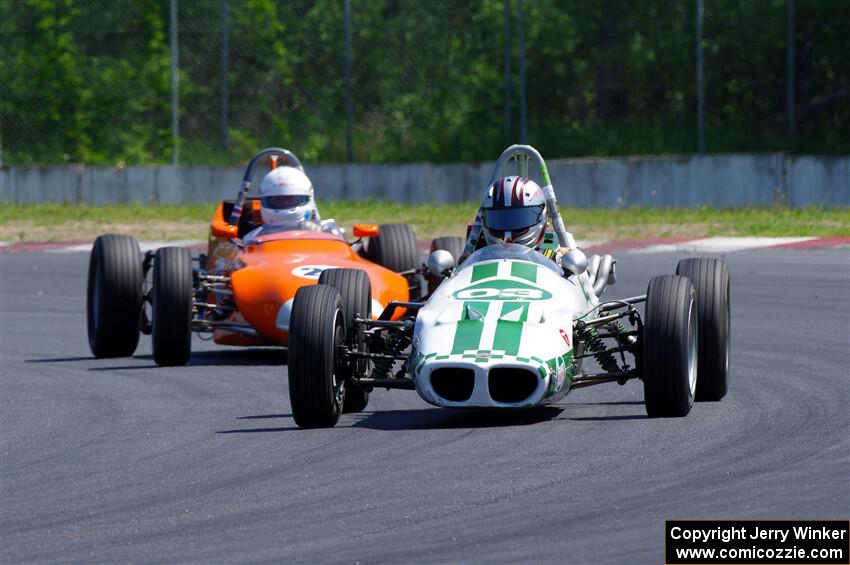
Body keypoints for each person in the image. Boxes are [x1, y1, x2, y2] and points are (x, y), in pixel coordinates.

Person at [461, 175, 575, 272]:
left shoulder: (559, 256)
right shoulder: (475, 257)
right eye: (500, 220)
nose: (507, 235)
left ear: (541, 216)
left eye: (518, 219)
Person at [244, 166, 342, 239]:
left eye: (290, 199)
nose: (284, 204)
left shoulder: (327, 232)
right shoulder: (252, 239)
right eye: (278, 200)